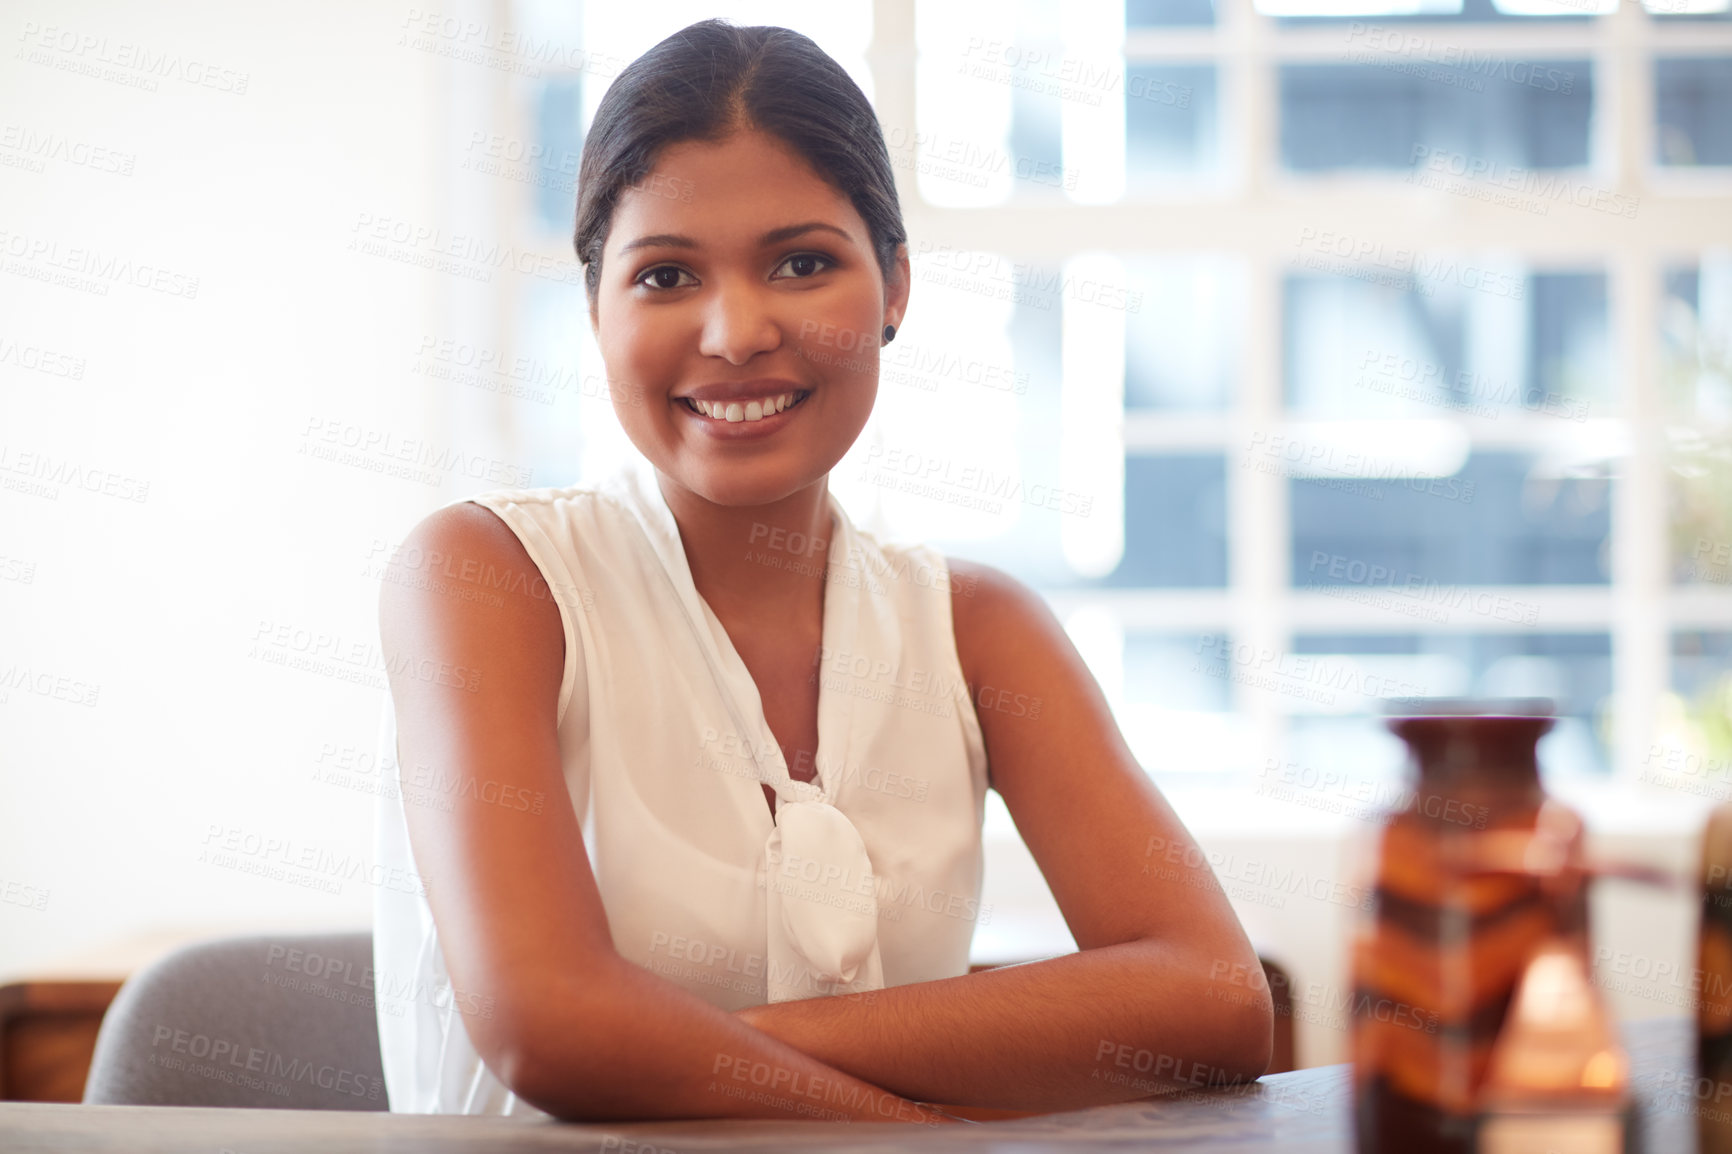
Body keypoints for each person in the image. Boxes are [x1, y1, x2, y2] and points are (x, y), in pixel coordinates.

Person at [371, 17, 1272, 1125]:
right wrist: (923, 1137)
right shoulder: (483, 577)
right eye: (664, 275)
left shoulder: (976, 628)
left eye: (801, 262)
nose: (736, 331)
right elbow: (547, 1027)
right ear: (596, 305)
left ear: (894, 284)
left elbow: (1215, 997)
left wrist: (666, 1047)